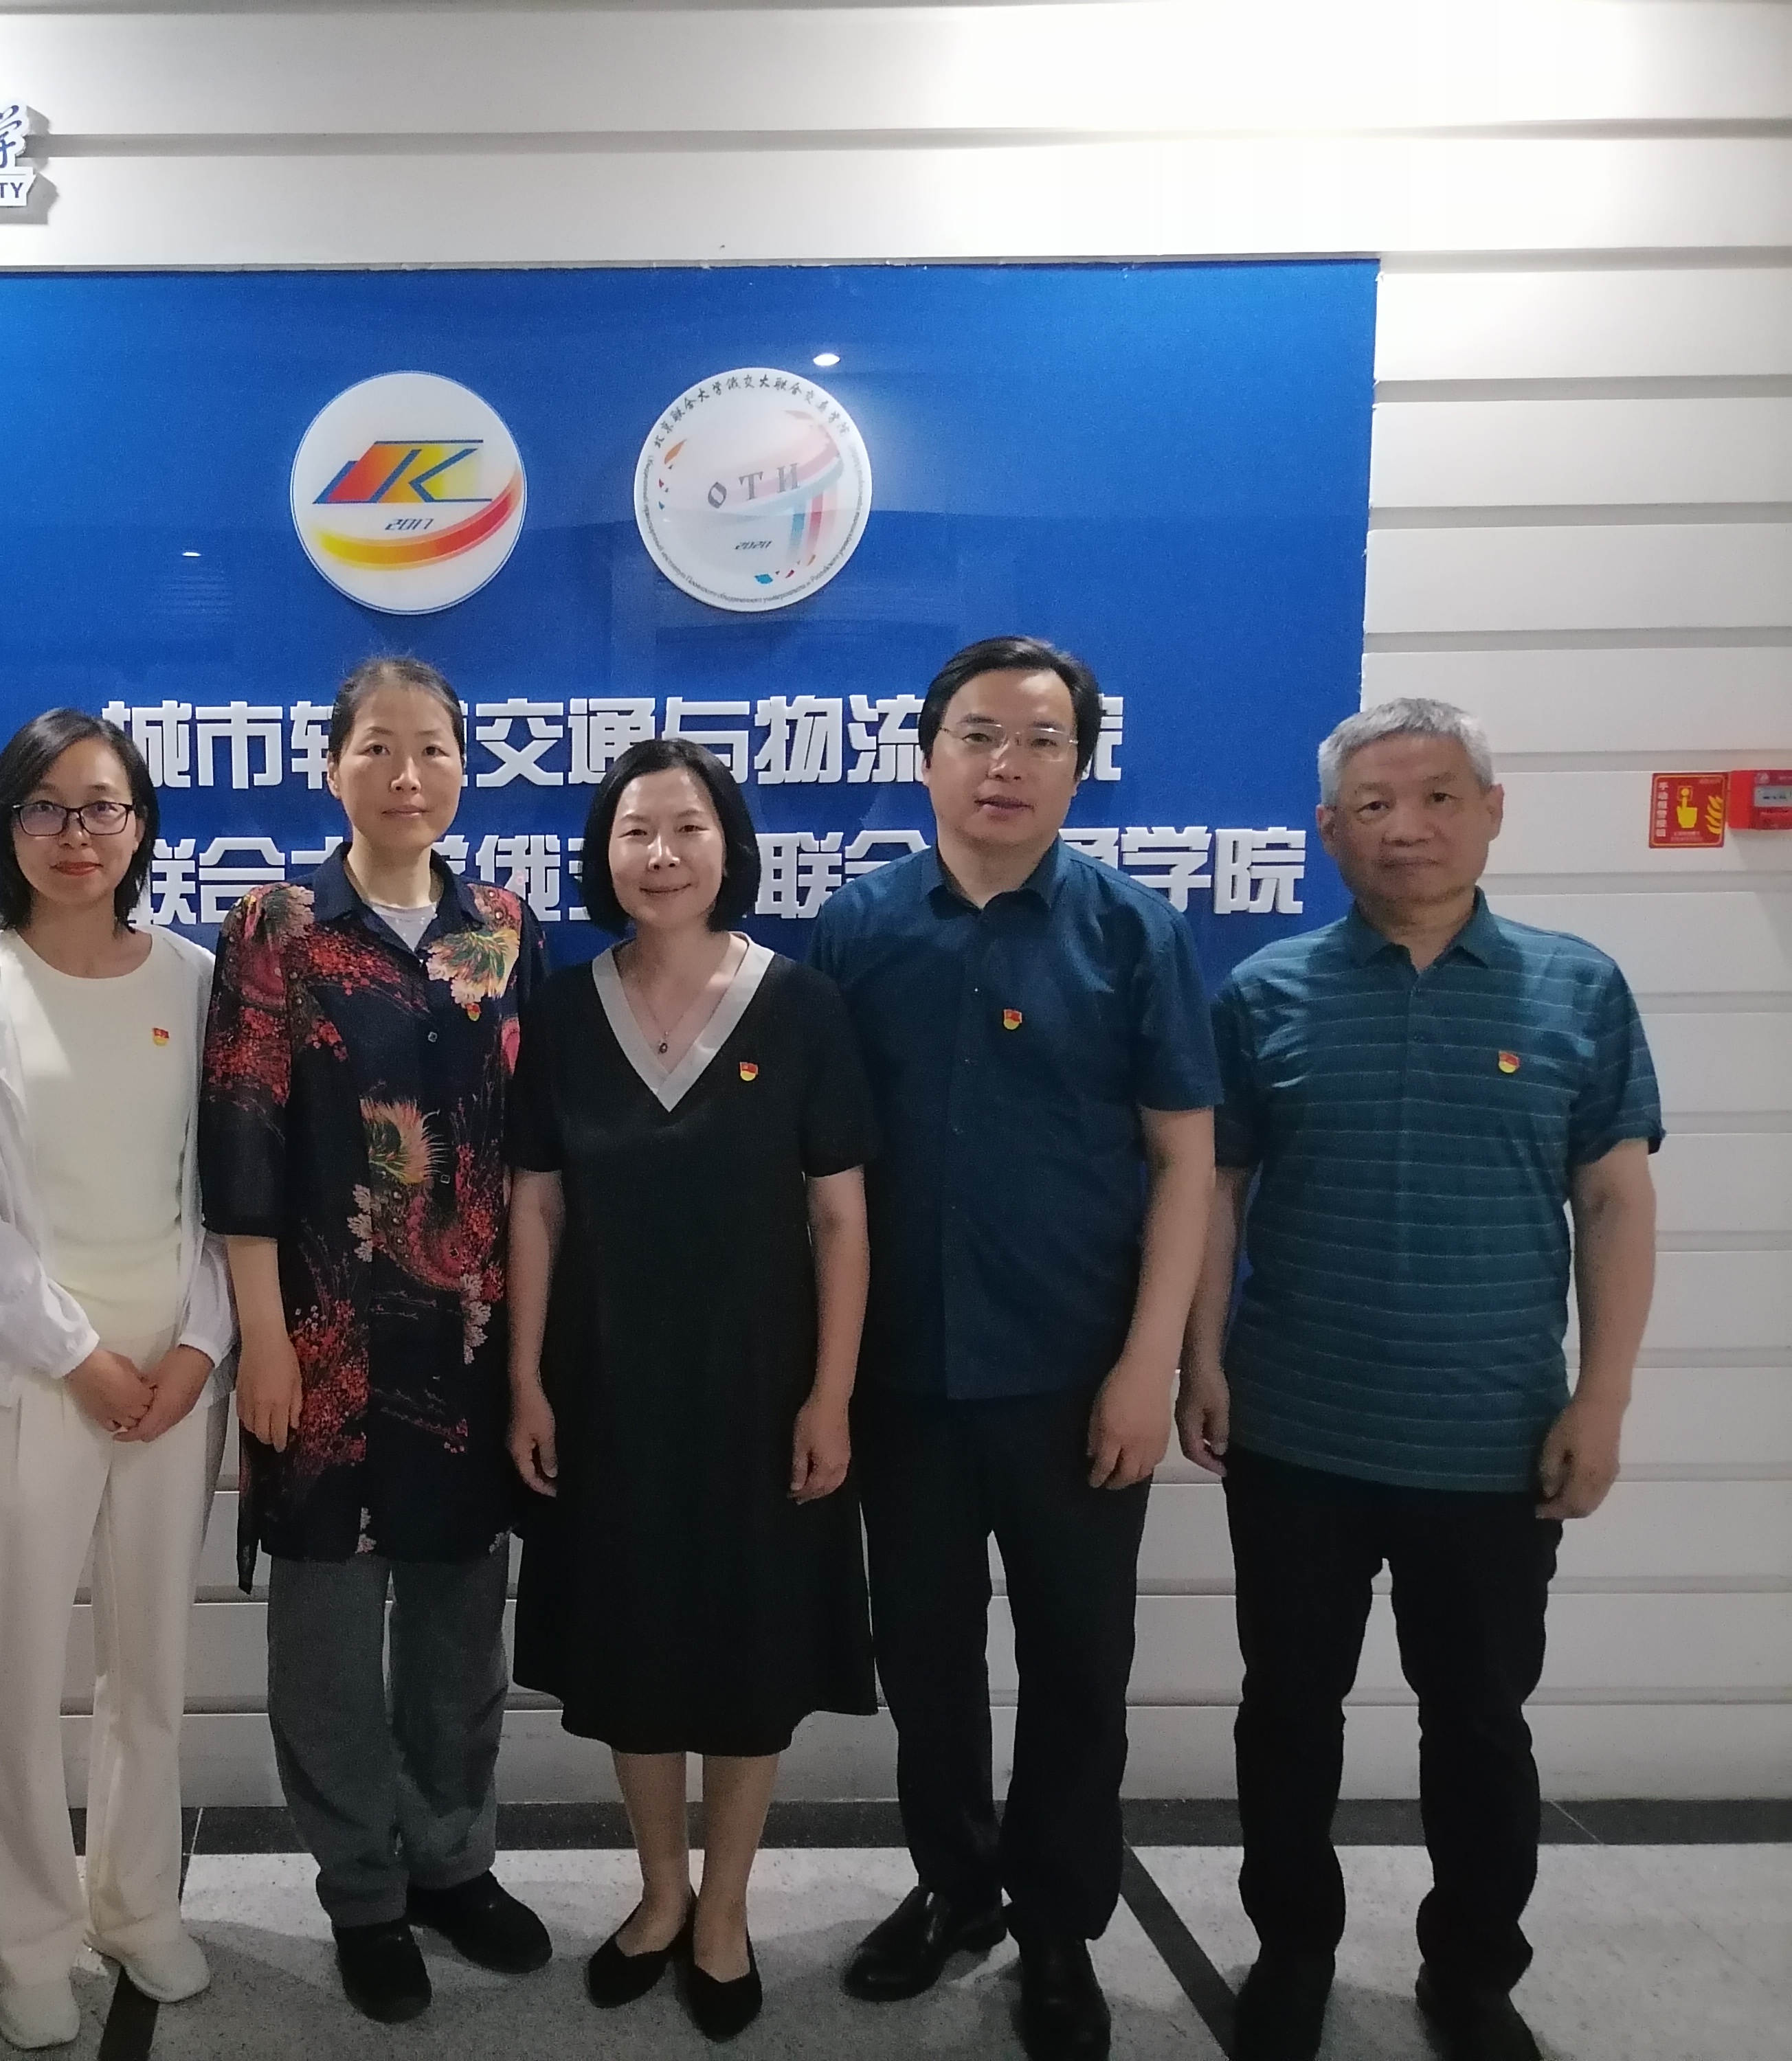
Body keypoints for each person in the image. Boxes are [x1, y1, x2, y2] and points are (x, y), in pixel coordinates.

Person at [1180, 700, 1659, 2061]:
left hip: (1491, 1437)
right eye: (1372, 807)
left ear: (1489, 812)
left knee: (1478, 1723)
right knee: (1287, 1712)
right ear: (1327, 831)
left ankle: (1471, 1969)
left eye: (1437, 797)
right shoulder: (1265, 992)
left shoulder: (1576, 989)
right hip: (1296, 1428)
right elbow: (1215, 1191)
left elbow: (1614, 1201)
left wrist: (1603, 1399)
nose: (1405, 829)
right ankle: (1292, 1950)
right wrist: (1199, 1357)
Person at [807, 635, 1218, 2061]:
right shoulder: (857, 928)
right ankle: (953, 1885)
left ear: (1080, 766)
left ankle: (1057, 1925)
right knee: (925, 1657)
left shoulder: (1131, 932)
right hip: (902, 1379)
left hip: (1073, 1377)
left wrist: (1149, 1367)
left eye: (1042, 740)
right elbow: (816, 1174)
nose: (1006, 764)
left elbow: (1183, 1159)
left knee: (1077, 1665)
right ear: (926, 758)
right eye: (978, 735)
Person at [199, 655, 553, 2024]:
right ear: (331, 764)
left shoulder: (504, 928)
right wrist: (263, 1340)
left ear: (466, 765)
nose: (409, 774)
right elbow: (240, 1140)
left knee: (461, 1631)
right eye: (378, 748)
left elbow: (533, 1157)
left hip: (469, 1342)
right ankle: (360, 1889)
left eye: (434, 749)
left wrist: (536, 1359)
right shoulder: (277, 928)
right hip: (323, 1342)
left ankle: (452, 1861)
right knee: (330, 1643)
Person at [506, 738, 877, 2042]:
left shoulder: (802, 1005)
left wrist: (832, 1395)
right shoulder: (563, 1010)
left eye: (687, 828)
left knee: (750, 1643)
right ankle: (660, 1893)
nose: (660, 854)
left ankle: (725, 1909)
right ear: (603, 854)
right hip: (605, 1384)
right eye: (634, 831)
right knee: (635, 1641)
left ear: (730, 846)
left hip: (760, 1386)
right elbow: (536, 1208)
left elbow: (842, 1219)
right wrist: (526, 1382)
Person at [0, 710, 234, 2047]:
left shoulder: (198, 982)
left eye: (102, 807)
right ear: (7, 829)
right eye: (44, 808)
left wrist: (198, 1347)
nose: (76, 834)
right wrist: (78, 1357)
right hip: (30, 1378)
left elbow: (228, 1191)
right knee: (17, 1666)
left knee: (150, 1663)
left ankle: (137, 1905)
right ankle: (30, 1937)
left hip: (175, 1380)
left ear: (141, 825)